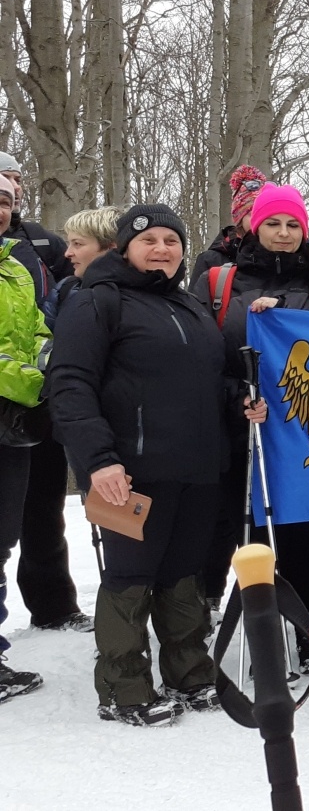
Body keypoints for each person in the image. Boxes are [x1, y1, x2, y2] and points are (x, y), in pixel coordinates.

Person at [50, 206, 234, 725]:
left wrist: (241, 398)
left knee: (183, 575)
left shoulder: (190, 306)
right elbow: (70, 386)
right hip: (127, 474)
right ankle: (124, 688)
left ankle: (190, 672)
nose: (161, 249)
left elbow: (209, 379)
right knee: (131, 577)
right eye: (148, 239)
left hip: (197, 470)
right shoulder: (98, 302)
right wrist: (99, 461)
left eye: (171, 240)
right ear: (124, 248)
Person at [190, 183, 309, 635]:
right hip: (239, 427)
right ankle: (256, 620)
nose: (283, 233)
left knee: (308, 529)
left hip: (304, 427)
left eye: (292, 225)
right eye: (273, 224)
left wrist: (282, 318)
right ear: (253, 226)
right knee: (245, 528)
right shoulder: (218, 280)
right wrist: (236, 396)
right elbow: (199, 357)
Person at [0, 175, 88, 635]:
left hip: (35, 398)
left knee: (43, 506)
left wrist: (45, 373)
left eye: (7, 196)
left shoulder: (33, 248)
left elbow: (47, 316)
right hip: (14, 391)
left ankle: (53, 604)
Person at [0, 185, 52, 701]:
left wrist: (43, 360)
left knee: (1, 537)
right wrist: (30, 379)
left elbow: (38, 328)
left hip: (13, 423)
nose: (1, 210)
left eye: (5, 201)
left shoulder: (16, 269)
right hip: (17, 399)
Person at [45, 206, 120, 329]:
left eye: (77, 244)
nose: (67, 253)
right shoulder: (65, 289)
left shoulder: (143, 293)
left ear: (111, 249)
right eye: (69, 243)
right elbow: (46, 338)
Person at [193, 164, 266, 281]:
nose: (260, 220)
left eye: (265, 214)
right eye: (252, 214)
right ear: (240, 218)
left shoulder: (284, 255)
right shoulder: (211, 261)